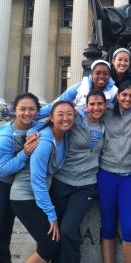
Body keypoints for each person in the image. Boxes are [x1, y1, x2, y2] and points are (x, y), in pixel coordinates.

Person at [10, 101, 76, 263]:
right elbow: (37, 180)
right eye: (60, 114)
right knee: (50, 245)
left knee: (50, 243)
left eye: (69, 114)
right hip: (24, 198)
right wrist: (51, 214)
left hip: (35, 197)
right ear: (51, 118)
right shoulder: (44, 143)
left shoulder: (63, 136)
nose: (65, 118)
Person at [49, 89, 106, 263]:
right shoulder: (75, 120)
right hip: (62, 181)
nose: (96, 108)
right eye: (92, 104)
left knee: (68, 228)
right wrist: (31, 132)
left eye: (100, 104)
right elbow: (52, 116)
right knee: (56, 231)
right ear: (86, 106)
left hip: (86, 185)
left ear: (105, 105)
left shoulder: (106, 124)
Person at [97, 80, 131, 263]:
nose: (127, 98)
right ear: (118, 96)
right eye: (124, 95)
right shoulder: (106, 111)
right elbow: (80, 113)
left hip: (130, 177)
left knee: (128, 228)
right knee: (108, 226)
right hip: (107, 175)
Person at [0, 93, 41, 263]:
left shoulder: (37, 126)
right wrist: (25, 153)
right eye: (22, 109)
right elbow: (2, 170)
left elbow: (50, 115)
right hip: (4, 186)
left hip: (25, 187)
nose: (27, 113)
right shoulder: (5, 136)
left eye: (32, 109)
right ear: (14, 110)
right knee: (2, 233)